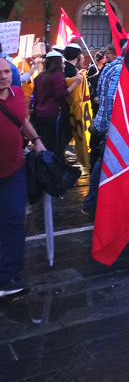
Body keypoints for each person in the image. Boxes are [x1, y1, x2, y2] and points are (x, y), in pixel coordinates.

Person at [0, 59, 46, 298]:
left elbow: (22, 120)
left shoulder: (18, 94)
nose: (3, 76)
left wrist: (37, 141)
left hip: (14, 170)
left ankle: (8, 278)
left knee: (15, 221)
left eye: (7, 71)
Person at [82, 39, 125, 217]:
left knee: (102, 163)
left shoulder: (110, 66)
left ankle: (93, 203)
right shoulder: (122, 68)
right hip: (113, 127)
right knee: (107, 164)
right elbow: (114, 98)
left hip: (104, 124)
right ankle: (97, 205)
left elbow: (101, 93)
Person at [31, 50, 81, 161]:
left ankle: (42, 166)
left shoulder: (40, 76)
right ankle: (50, 168)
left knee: (43, 142)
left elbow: (36, 96)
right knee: (51, 144)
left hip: (39, 114)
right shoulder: (57, 76)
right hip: (52, 114)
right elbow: (61, 95)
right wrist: (74, 84)